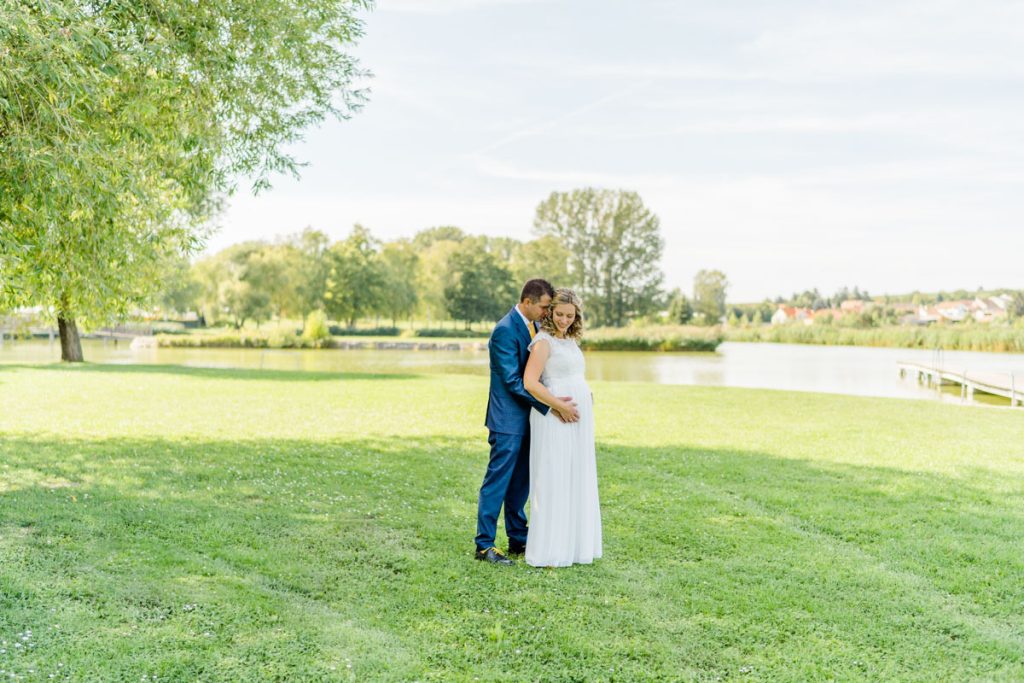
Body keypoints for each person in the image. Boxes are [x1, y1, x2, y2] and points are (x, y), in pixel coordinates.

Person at [474, 279, 579, 565]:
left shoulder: (535, 328)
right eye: (545, 307)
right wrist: (550, 405)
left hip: (530, 419)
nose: (548, 312)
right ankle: (484, 545)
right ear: (528, 302)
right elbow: (512, 381)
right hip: (507, 419)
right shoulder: (505, 330)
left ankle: (518, 537)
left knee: (521, 482)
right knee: (498, 481)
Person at [522, 288, 602, 567]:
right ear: (550, 312)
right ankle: (550, 550)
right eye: (559, 314)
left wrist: (584, 395)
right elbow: (530, 382)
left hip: (579, 417)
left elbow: (574, 375)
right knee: (554, 475)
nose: (564, 320)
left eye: (570, 315)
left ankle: (575, 545)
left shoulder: (570, 340)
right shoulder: (543, 342)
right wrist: (558, 405)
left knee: (575, 474)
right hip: (553, 416)